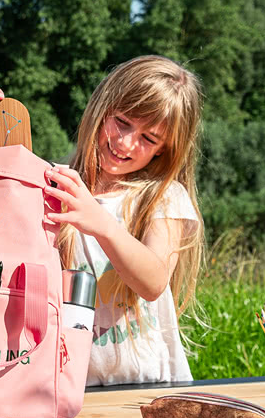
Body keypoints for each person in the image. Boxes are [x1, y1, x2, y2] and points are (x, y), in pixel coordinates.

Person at [43, 55, 205, 386]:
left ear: (164, 149)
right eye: (122, 121)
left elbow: (152, 282)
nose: (126, 142)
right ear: (102, 109)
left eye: (149, 138)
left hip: (147, 388)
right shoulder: (54, 184)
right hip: (67, 388)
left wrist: (98, 220)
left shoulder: (164, 196)